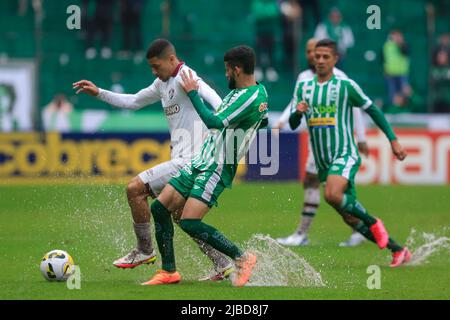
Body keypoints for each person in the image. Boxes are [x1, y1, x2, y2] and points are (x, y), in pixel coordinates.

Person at [73, 39, 235, 281]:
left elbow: (218, 103)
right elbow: (134, 101)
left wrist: (218, 133)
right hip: (186, 161)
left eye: (156, 66)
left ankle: (144, 250)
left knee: (135, 188)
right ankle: (223, 263)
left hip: (190, 160)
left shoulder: (187, 75)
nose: (154, 71)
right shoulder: (162, 83)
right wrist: (99, 93)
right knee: (182, 217)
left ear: (171, 59)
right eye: (151, 67)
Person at [143, 45, 268, 286]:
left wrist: (192, 93)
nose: (225, 75)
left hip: (218, 165)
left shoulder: (249, 97)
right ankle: (169, 271)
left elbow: (213, 121)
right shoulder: (248, 93)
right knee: (159, 208)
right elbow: (263, 121)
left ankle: (242, 258)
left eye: (227, 71)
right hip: (202, 158)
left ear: (237, 69)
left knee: (189, 221)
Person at [289, 39, 411, 267]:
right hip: (324, 163)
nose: (321, 60)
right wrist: (297, 113)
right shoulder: (303, 87)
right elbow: (294, 123)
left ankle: (373, 221)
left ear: (335, 59)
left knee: (332, 195)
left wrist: (393, 141)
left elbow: (372, 110)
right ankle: (398, 250)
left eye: (326, 56)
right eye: (318, 56)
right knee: (350, 217)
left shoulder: (345, 86)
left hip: (344, 155)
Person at [274, 38, 368, 247]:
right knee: (315, 183)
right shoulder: (304, 78)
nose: (311, 56)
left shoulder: (339, 78)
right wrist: (282, 120)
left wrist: (361, 137)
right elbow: (296, 103)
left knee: (328, 189)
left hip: (333, 144)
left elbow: (356, 107)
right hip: (316, 141)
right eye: (309, 52)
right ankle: (354, 229)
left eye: (315, 52)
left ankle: (355, 228)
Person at [382, 29, 412, 110]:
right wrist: (385, 70)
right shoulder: (387, 45)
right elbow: (385, 59)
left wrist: (400, 43)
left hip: (402, 73)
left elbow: (405, 52)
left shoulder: (404, 45)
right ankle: (393, 110)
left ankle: (404, 110)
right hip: (391, 73)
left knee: (404, 93)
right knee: (392, 93)